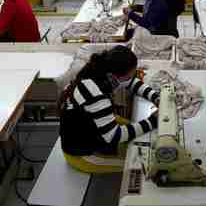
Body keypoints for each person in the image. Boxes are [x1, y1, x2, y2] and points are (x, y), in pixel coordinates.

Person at [59, 45, 159, 173]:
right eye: (130, 74)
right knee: (141, 165)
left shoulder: (101, 70)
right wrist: (152, 121)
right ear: (117, 75)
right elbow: (114, 136)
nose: (132, 78)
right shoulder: (97, 96)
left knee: (139, 139)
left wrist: (155, 97)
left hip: (88, 129)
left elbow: (132, 82)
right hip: (81, 154)